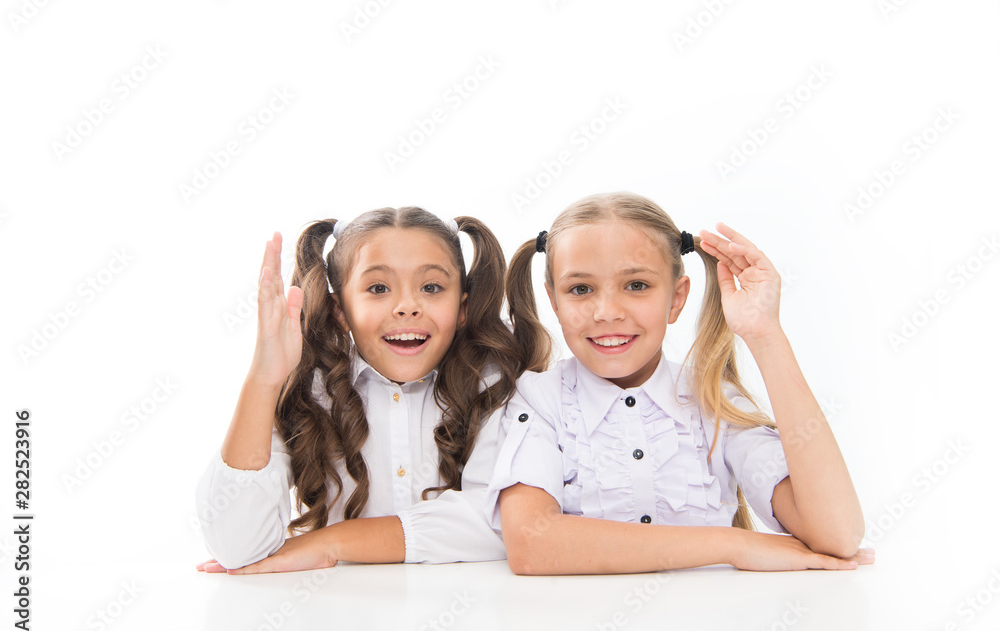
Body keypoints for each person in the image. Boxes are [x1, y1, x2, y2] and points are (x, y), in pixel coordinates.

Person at [487, 191, 874, 574]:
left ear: (676, 298)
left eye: (636, 285)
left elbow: (838, 535)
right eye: (581, 289)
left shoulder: (713, 402)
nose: (607, 312)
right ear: (555, 302)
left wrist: (765, 335)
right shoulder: (539, 401)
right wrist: (733, 544)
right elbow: (531, 544)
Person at [196, 207, 525, 574]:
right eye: (378, 288)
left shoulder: (495, 386)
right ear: (340, 311)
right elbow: (237, 547)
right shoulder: (310, 392)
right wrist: (264, 380)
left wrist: (332, 542)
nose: (406, 307)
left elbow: (502, 523)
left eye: (431, 287)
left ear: (462, 307)